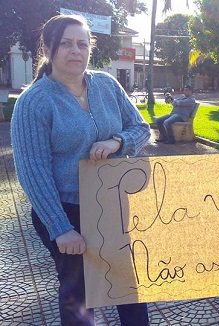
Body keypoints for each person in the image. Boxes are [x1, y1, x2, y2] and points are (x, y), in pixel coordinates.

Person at [10, 15, 150, 325]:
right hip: (67, 211)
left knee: (126, 285)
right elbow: (34, 174)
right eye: (66, 44)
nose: (76, 51)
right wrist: (60, 228)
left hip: (112, 206)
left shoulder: (106, 85)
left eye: (82, 44)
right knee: (78, 295)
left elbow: (141, 128)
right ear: (48, 49)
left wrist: (117, 142)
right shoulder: (34, 103)